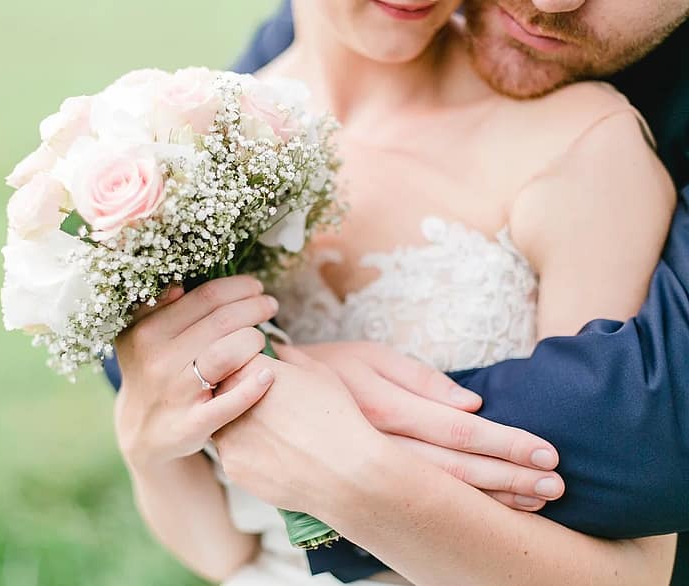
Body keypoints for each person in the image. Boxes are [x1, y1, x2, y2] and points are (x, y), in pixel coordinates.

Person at [111, 0, 688, 584]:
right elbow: (222, 553)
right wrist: (143, 437)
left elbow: (636, 571)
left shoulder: (581, 144)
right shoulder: (195, 146)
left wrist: (351, 470)